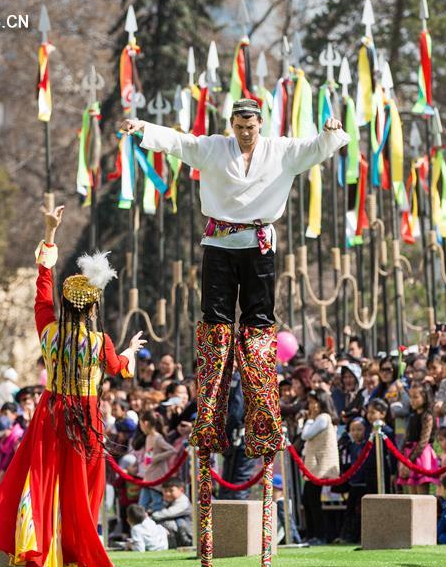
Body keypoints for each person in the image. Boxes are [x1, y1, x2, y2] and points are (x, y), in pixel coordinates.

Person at [119, 102, 348, 489]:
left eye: (251, 126)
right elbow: (178, 143)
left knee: (259, 324)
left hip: (259, 244)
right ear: (232, 125)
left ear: (261, 124)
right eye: (240, 126)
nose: (246, 133)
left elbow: (314, 149)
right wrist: (143, 127)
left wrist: (330, 132)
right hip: (220, 243)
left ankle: (262, 411)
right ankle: (211, 410)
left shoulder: (280, 151)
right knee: (215, 325)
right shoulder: (214, 148)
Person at [0, 204, 145, 567]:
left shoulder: (49, 332)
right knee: (80, 495)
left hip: (51, 413)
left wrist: (50, 233)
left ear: (66, 305)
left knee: (40, 486)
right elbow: (118, 368)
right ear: (92, 307)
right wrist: (129, 351)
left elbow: (42, 290)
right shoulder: (98, 342)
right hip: (85, 420)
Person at [300, 388, 339, 544]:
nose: (309, 406)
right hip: (313, 464)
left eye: (312, 402)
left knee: (313, 501)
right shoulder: (320, 418)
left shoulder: (323, 418)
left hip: (319, 465)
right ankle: (311, 534)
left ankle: (320, 535)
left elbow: (306, 435)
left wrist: (309, 419)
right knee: (307, 500)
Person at [397, 383, 439, 494]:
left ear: (425, 398)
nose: (412, 400)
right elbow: (406, 437)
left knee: (422, 494)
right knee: (412, 494)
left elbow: (424, 441)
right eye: (410, 397)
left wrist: (409, 461)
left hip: (421, 455)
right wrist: (403, 459)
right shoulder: (412, 416)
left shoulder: (427, 416)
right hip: (409, 453)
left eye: (415, 397)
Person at [137, 411, 178, 512]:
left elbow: (172, 450)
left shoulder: (157, 438)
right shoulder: (148, 437)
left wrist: (158, 457)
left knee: (157, 505)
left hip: (156, 478)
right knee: (142, 506)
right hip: (148, 477)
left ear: (146, 423)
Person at [151, 479, 193, 548]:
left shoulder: (183, 502)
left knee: (167, 523)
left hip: (189, 535)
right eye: (165, 491)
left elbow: (167, 513)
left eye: (171, 490)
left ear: (181, 490)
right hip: (181, 533)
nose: (167, 493)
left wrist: (151, 516)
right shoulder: (168, 501)